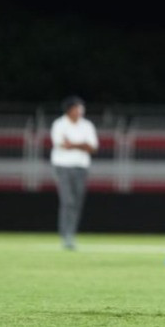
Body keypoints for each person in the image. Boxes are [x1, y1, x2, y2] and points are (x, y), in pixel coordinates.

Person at [49, 95, 98, 250]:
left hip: (81, 167)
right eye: (77, 108)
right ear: (69, 110)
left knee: (77, 202)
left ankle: (71, 233)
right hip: (63, 166)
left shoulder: (87, 125)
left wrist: (74, 144)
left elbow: (93, 147)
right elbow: (62, 145)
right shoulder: (59, 124)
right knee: (67, 200)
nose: (80, 111)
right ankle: (66, 235)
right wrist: (82, 145)